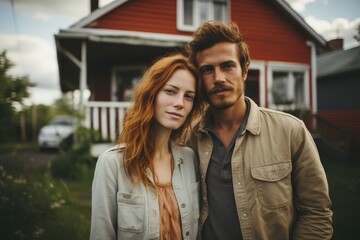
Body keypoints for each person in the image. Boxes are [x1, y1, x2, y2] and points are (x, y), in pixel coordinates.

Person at [186, 20, 333, 240]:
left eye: (227, 66)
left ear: (245, 70)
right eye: (207, 70)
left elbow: (317, 212)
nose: (218, 78)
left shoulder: (291, 131)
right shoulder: (187, 139)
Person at [90, 53, 202, 240]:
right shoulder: (112, 164)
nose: (180, 103)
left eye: (188, 96)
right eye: (171, 91)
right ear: (152, 93)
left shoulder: (190, 159)